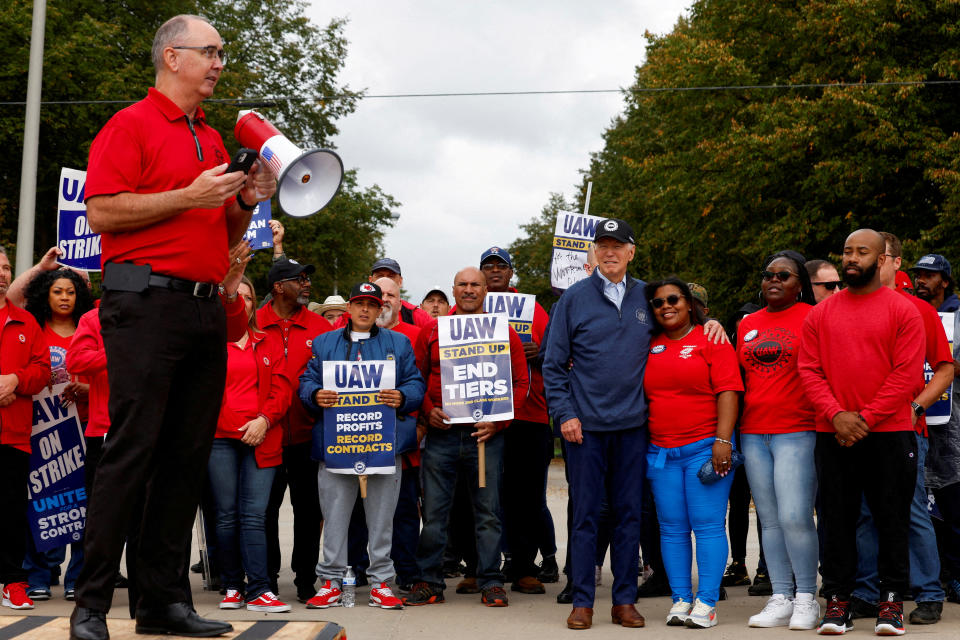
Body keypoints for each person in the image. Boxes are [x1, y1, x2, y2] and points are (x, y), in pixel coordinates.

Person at [71, 14, 277, 640]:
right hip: (144, 302)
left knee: (185, 456)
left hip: (202, 306)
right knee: (132, 450)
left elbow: (223, 234)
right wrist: (185, 197)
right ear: (172, 58)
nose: (219, 62)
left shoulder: (212, 139)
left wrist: (244, 201)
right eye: (209, 52)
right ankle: (90, 604)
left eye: (221, 53)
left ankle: (162, 604)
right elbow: (103, 209)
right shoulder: (129, 124)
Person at [798, 228, 925, 636]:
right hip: (833, 432)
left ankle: (891, 602)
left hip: (889, 432)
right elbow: (809, 370)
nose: (852, 258)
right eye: (847, 251)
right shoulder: (821, 313)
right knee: (836, 520)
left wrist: (865, 419)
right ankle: (838, 601)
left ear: (882, 259)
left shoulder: (904, 310)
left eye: (862, 252)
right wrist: (837, 415)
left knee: (892, 519)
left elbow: (906, 375)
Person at [542, 218, 653, 631]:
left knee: (629, 515)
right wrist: (565, 414)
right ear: (593, 252)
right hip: (584, 428)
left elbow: (682, 327)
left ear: (631, 252)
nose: (609, 252)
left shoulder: (648, 296)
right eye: (601, 245)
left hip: (633, 427)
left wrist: (709, 323)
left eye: (617, 245)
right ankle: (583, 600)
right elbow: (553, 366)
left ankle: (624, 600)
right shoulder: (573, 299)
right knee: (585, 515)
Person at [405, 267, 529, 608]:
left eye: (476, 284)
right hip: (441, 436)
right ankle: (429, 581)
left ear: (486, 290)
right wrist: (427, 410)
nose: (470, 289)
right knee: (434, 513)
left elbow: (520, 383)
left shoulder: (504, 332)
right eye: (463, 284)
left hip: (485, 436)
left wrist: (500, 423)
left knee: (488, 513)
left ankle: (491, 581)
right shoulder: (432, 330)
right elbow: (414, 377)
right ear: (454, 290)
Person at [298, 281, 425, 610]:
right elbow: (307, 380)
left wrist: (403, 396)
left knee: (382, 518)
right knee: (336, 515)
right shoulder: (325, 343)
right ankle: (331, 581)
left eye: (372, 304)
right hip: (337, 444)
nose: (365, 309)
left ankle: (382, 582)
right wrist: (314, 394)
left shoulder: (398, 342)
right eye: (359, 303)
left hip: (383, 444)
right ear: (349, 308)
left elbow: (414, 382)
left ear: (381, 308)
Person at [848, 233, 953, 625]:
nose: (867, 261)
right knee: (864, 512)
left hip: (903, 429)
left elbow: (944, 367)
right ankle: (866, 591)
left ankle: (928, 593)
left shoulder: (917, 310)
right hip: (857, 429)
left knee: (909, 511)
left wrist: (916, 405)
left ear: (894, 262)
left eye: (877, 254)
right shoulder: (849, 305)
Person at [643, 278, 743, 629]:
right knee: (671, 529)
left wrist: (723, 440)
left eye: (673, 299)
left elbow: (728, 391)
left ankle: (707, 601)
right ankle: (681, 599)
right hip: (660, 452)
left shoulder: (711, 339)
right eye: (658, 302)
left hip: (704, 448)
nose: (666, 306)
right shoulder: (648, 343)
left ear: (689, 304)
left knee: (708, 526)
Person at [735, 251, 821, 630]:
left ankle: (807, 597)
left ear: (799, 284)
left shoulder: (813, 317)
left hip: (798, 429)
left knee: (794, 516)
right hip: (754, 432)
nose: (773, 280)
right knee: (769, 519)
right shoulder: (747, 323)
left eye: (783, 275)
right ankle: (780, 596)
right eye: (768, 274)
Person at [209, 276, 292, 613]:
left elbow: (283, 388)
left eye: (246, 297)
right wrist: (235, 425)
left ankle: (259, 589)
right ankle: (231, 586)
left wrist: (263, 421)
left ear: (253, 303)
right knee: (226, 516)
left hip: (263, 436)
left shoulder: (267, 340)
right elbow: (203, 392)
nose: (239, 301)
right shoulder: (210, 343)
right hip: (220, 439)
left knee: (254, 516)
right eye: (233, 296)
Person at [479, 246, 555, 595]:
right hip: (483, 416)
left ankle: (525, 565)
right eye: (488, 267)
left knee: (526, 496)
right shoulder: (467, 307)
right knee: (486, 495)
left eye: (501, 266)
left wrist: (540, 353)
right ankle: (487, 565)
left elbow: (561, 352)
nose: (495, 271)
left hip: (531, 414)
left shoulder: (532, 308)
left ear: (511, 273)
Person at [257, 258, 332, 602]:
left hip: (307, 434)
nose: (306, 285)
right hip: (264, 435)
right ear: (277, 287)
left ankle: (306, 578)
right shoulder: (253, 322)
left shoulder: (321, 328)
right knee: (264, 510)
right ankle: (266, 578)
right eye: (299, 279)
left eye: (306, 278)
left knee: (308, 511)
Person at [22, 268, 95, 602]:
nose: (65, 297)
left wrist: (88, 389)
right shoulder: (33, 330)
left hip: (84, 428)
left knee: (83, 505)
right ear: (45, 296)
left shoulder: (91, 329)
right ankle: (36, 574)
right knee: (40, 502)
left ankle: (76, 577)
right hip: (40, 431)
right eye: (57, 291)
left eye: (70, 292)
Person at [0, 246, 52, 611]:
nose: (2, 273)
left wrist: (15, 380)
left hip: (14, 435)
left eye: (5, 267)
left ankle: (12, 582)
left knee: (10, 513)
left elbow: (44, 371)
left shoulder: (26, 322)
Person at [369, 258, 434, 328]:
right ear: (371, 281)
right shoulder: (357, 311)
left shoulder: (416, 316)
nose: (386, 280)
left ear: (400, 281)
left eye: (391, 276)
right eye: (380, 276)